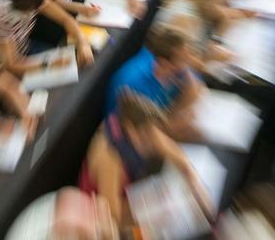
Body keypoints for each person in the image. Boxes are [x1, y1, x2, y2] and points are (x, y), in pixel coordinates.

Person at [79, 92, 214, 227]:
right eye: (145, 138)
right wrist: (154, 211)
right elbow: (113, 216)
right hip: (99, 210)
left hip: (131, 193)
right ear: (130, 128)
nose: (152, 141)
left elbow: (180, 158)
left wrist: (196, 186)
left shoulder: (144, 128)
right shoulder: (109, 158)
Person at [105, 24, 202, 136]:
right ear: (165, 64)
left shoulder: (173, 66)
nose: (188, 62)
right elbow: (131, 132)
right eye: (183, 60)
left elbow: (196, 90)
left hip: (154, 121)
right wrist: (172, 125)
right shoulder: (133, 87)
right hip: (124, 132)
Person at [155, 0, 251, 73]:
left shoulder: (198, 3)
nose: (225, 6)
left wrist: (223, 24)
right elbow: (185, 67)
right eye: (223, 1)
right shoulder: (184, 18)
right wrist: (212, 58)